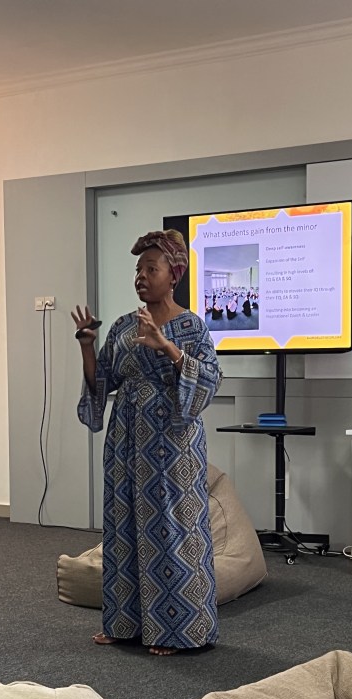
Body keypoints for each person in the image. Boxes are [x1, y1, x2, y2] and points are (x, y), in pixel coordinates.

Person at [72, 229, 222, 656]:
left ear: (173, 275)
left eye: (150, 269)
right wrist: (87, 346)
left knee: (171, 525)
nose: (141, 277)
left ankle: (177, 630)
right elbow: (101, 383)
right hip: (126, 439)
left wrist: (167, 347)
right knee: (123, 524)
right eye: (138, 269)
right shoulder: (124, 326)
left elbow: (210, 379)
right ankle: (125, 623)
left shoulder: (191, 326)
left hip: (172, 442)